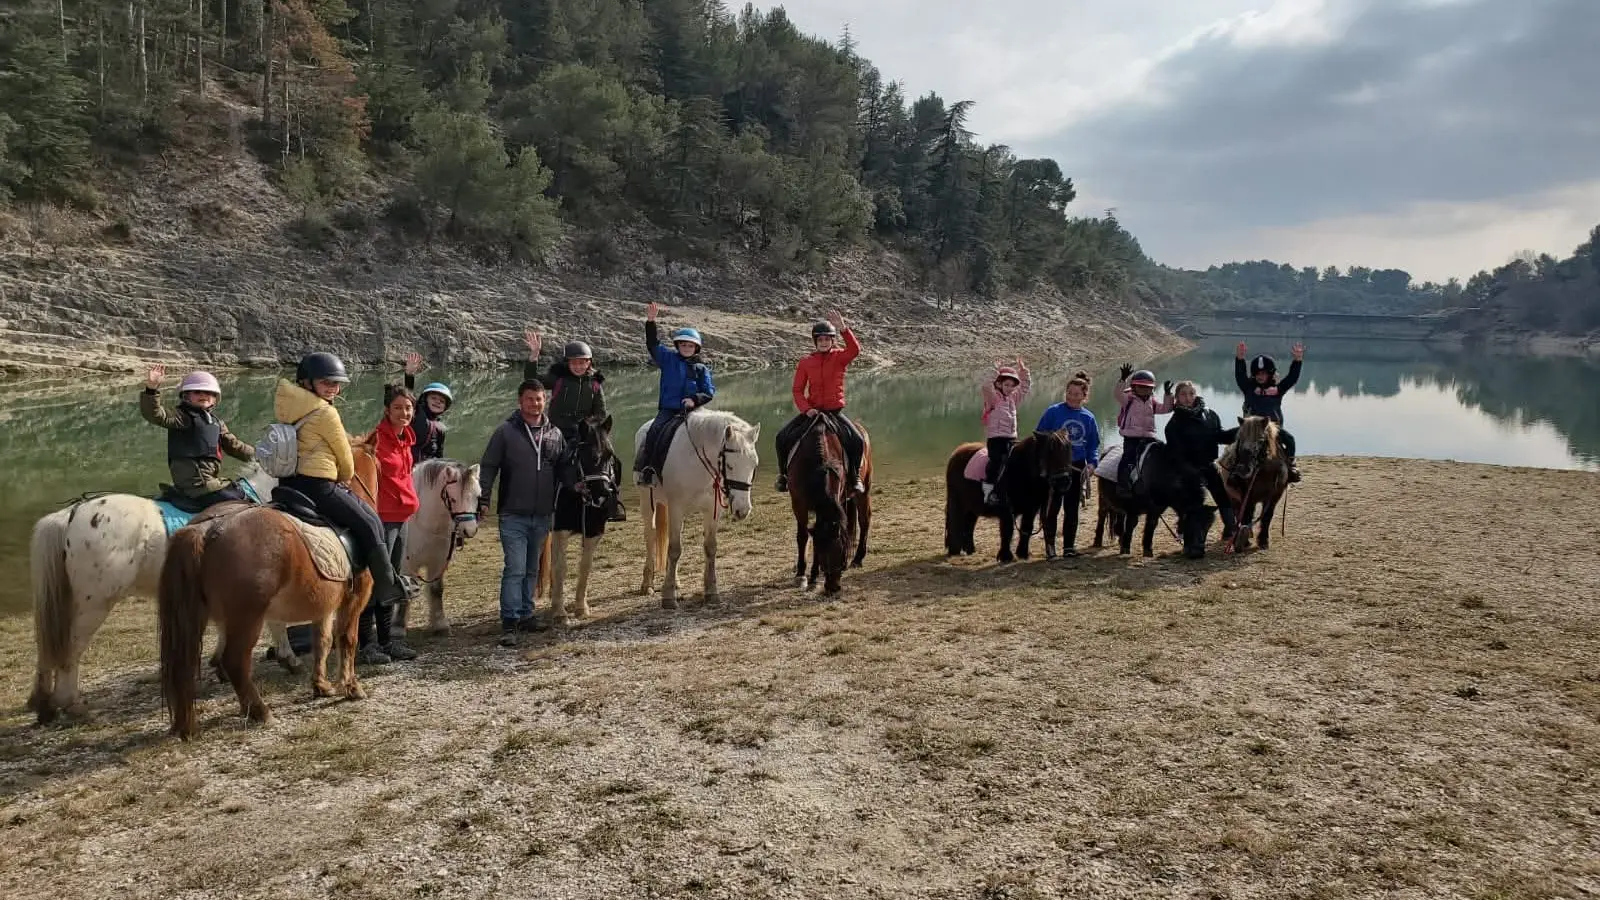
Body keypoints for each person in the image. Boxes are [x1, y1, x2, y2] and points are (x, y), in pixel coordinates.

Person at [276, 352, 410, 607]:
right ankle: (387, 586)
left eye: (336, 383)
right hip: (318, 486)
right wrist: (345, 477)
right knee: (371, 522)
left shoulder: (290, 406)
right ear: (307, 383)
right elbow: (345, 457)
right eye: (326, 382)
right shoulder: (326, 413)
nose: (333, 388)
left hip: (288, 483)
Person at [476, 379, 576, 647]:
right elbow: (489, 466)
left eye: (539, 398)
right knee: (515, 567)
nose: (535, 403)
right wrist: (483, 499)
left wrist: (576, 487)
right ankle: (509, 621)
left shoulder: (554, 433)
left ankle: (526, 614)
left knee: (532, 568)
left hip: (542, 514)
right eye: (530, 399)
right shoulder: (505, 432)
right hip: (513, 513)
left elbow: (563, 469)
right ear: (520, 401)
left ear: (546, 400)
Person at [523, 328, 625, 522]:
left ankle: (613, 501)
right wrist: (534, 356)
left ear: (589, 363)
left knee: (612, 459)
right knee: (547, 458)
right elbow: (531, 381)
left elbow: (600, 412)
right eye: (574, 362)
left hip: (584, 431)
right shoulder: (558, 379)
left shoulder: (595, 384)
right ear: (567, 363)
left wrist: (592, 428)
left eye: (582, 362)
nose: (578, 366)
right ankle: (542, 500)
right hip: (558, 429)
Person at [358, 384, 422, 664]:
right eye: (397, 408)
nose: (403, 413)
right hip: (381, 518)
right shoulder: (376, 440)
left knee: (392, 580)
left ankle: (387, 642)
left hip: (401, 517)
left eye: (408, 408)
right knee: (374, 581)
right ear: (387, 410)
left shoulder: (406, 439)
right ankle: (366, 645)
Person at [775, 311, 866, 495]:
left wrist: (843, 329)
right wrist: (806, 409)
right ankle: (783, 476)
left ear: (832, 340)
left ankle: (855, 476)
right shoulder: (805, 362)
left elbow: (855, 350)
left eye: (827, 339)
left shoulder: (840, 357)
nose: (824, 342)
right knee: (782, 437)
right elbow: (797, 390)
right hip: (813, 413)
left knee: (857, 440)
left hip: (834, 412)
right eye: (820, 339)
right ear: (815, 341)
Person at [139, 365, 256, 508]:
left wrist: (262, 457)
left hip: (209, 481)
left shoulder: (217, 423)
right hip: (196, 485)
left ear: (215, 399)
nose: (203, 395)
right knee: (241, 501)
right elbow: (156, 415)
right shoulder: (182, 416)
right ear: (186, 396)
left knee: (238, 489)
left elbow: (235, 446)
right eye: (197, 392)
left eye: (209, 392)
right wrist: (151, 389)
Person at [634, 302, 714, 486]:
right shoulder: (668, 359)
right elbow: (652, 344)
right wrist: (651, 322)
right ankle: (648, 469)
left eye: (690, 345)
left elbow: (709, 391)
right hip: (669, 410)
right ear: (677, 346)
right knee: (654, 431)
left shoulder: (701, 368)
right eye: (683, 345)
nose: (686, 348)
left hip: (695, 411)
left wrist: (694, 400)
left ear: (696, 348)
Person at [1034, 371, 1099, 557]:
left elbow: (1093, 444)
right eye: (1069, 393)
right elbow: (1039, 436)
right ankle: (1050, 547)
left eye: (1076, 394)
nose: (1071, 397)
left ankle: (1069, 547)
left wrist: (1092, 464)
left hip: (1076, 466)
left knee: (1072, 508)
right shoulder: (1053, 411)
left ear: (1084, 396)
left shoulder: (1088, 418)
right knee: (1052, 507)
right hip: (1055, 466)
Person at [1165, 380, 1240, 540]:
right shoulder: (1173, 424)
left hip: (1208, 464)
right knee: (1193, 502)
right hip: (1187, 469)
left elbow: (1220, 436)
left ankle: (1231, 530)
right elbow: (1176, 455)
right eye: (1183, 394)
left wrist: (1241, 431)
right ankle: (1186, 534)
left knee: (1222, 496)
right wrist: (1190, 473)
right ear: (1177, 398)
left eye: (1191, 393)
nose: (1188, 398)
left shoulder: (1210, 415)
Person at [1234, 342, 1304, 483]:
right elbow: (1240, 375)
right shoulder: (1248, 388)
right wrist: (1240, 358)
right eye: (1257, 374)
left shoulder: (1277, 390)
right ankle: (1234, 470)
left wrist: (1297, 360)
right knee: (1236, 443)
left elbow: (1292, 378)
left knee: (1290, 440)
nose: (1260, 376)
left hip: (1272, 429)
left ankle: (1291, 465)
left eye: (1264, 373)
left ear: (1270, 374)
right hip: (1251, 429)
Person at [1114, 363, 1174, 498]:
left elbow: (1166, 409)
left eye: (1147, 387)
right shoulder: (1128, 399)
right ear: (1134, 387)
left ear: (1152, 389)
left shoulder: (1152, 402)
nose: (1144, 390)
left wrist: (1168, 394)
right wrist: (1123, 379)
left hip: (1149, 437)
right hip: (1131, 437)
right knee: (1128, 459)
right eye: (1140, 386)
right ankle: (1122, 486)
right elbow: (1117, 394)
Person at [977, 357, 1031, 507]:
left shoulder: (1013, 399)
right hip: (996, 438)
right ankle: (988, 492)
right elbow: (986, 386)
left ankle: (1016, 490)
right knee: (996, 462)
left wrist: (1023, 372)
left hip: (1011, 438)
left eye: (1012, 385)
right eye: (1006, 384)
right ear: (998, 384)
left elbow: (1024, 388)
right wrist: (995, 370)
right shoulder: (993, 399)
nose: (1010, 388)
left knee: (1020, 462)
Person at [402, 352, 451, 465]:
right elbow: (408, 394)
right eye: (433, 398)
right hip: (406, 465)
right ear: (425, 399)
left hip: (426, 471)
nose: (437, 402)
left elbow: (439, 454)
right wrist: (409, 375)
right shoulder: (416, 412)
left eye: (442, 401)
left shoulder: (441, 428)